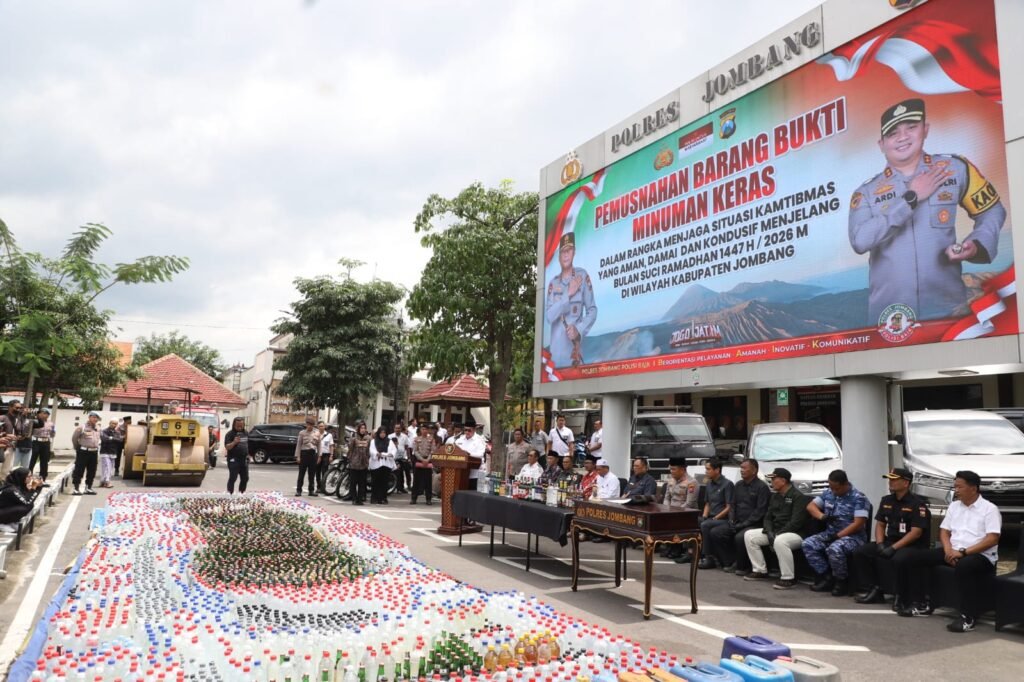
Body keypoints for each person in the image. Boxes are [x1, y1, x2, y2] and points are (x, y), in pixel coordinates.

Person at [848, 98, 1007, 323]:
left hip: (949, 309)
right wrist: (910, 199)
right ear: (881, 144)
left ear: (926, 129)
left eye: (911, 127)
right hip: (890, 318)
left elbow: (992, 211)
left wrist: (976, 244)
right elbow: (860, 241)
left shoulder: (956, 169)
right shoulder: (865, 193)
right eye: (893, 133)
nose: (903, 137)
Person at [902, 470, 1001, 632]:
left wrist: (962, 553)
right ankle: (922, 603)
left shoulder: (989, 509)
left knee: (965, 566)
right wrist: (948, 550)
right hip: (953, 550)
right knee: (914, 558)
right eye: (955, 487)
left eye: (959, 487)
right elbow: (944, 531)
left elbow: (992, 539)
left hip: (980, 555)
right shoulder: (954, 506)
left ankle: (967, 616)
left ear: (973, 488)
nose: (956, 490)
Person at [851, 467, 930, 607]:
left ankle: (901, 595)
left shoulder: (917, 504)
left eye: (894, 479)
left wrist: (894, 548)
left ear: (906, 483)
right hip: (891, 541)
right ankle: (875, 588)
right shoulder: (886, 500)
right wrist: (881, 543)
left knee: (899, 558)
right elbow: (880, 524)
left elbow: (916, 532)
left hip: (912, 545)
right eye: (890, 479)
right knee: (861, 552)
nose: (890, 482)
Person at [802, 469, 870, 596]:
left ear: (845, 484)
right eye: (831, 487)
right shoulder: (829, 493)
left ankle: (841, 581)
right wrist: (822, 517)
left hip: (852, 537)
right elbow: (810, 506)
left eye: (837, 488)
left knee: (835, 548)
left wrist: (838, 536)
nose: (834, 491)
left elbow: (858, 523)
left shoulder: (858, 498)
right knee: (808, 544)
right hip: (831, 533)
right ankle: (827, 576)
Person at [744, 467, 811, 589]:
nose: (771, 482)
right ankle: (760, 570)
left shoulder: (798, 497)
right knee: (750, 535)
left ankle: (788, 578)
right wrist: (769, 531)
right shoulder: (775, 496)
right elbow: (768, 517)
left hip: (795, 533)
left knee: (780, 541)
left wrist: (777, 534)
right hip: (776, 531)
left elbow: (796, 522)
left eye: (774, 479)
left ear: (783, 481)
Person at [545, 232, 597, 367]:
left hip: (575, 357)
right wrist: (567, 294)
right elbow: (549, 316)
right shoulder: (553, 283)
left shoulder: (582, 276)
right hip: (555, 360)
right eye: (563, 251)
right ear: (559, 257)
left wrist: (579, 330)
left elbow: (592, 310)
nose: (566, 254)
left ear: (574, 252)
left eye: (569, 250)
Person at [721, 459, 770, 575]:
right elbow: (732, 505)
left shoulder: (762, 487)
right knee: (718, 532)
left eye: (744, 468)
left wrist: (743, 524)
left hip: (754, 523)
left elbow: (760, 511)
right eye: (741, 467)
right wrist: (732, 520)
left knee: (740, 537)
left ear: (754, 471)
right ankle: (729, 561)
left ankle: (744, 566)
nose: (741, 470)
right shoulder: (738, 485)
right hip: (737, 520)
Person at [698, 457, 735, 569]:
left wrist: (714, 518)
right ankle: (691, 553)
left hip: (723, 519)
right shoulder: (709, 484)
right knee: (697, 521)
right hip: (710, 517)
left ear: (717, 470)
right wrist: (704, 516)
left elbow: (729, 507)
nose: (706, 471)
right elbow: (708, 504)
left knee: (706, 525)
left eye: (708, 469)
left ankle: (707, 557)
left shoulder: (727, 484)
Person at [662, 456, 699, 560]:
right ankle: (670, 546)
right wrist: (666, 509)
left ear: (682, 469)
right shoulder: (671, 481)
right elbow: (667, 497)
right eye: (670, 469)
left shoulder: (692, 483)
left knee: (676, 520)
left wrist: (676, 512)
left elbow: (689, 503)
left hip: (686, 512)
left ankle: (677, 548)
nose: (671, 471)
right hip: (671, 510)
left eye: (673, 469)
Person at [0, 468, 43, 533]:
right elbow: (27, 502)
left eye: (31, 475)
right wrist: (34, 488)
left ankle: (9, 521)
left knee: (27, 506)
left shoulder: (17, 484)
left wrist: (38, 487)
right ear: (22, 477)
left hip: (3, 510)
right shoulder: (11, 489)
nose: (31, 478)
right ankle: (2, 523)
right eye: (29, 476)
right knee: (26, 507)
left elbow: (26, 497)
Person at [70, 412, 102, 495]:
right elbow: (74, 438)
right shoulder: (82, 427)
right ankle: (76, 489)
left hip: (94, 452)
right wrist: (78, 448)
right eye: (93, 417)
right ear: (89, 417)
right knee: (79, 470)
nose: (95, 419)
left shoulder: (98, 428)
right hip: (83, 451)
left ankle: (88, 488)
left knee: (92, 470)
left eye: (96, 418)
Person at [4, 401, 38, 470]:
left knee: (20, 468)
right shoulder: (7, 418)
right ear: (10, 407)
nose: (19, 409)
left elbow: (39, 424)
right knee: (10, 468)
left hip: (20, 446)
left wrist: (33, 414)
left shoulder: (25, 419)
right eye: (17, 408)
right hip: (10, 446)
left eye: (20, 408)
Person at [293, 416, 322, 497]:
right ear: (306, 424)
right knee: (301, 474)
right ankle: (299, 490)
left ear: (313, 425)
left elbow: (319, 445)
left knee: (312, 474)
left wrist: (320, 456)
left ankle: (311, 490)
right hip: (304, 454)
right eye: (308, 424)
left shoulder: (317, 433)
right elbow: (298, 445)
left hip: (313, 454)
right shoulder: (302, 433)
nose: (309, 426)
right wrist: (298, 456)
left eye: (311, 425)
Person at [369, 426, 397, 504]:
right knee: (375, 481)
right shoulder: (373, 441)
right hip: (376, 464)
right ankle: (374, 497)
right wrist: (376, 453)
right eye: (381, 432)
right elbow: (371, 450)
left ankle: (383, 497)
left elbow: (394, 450)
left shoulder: (389, 441)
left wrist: (390, 454)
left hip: (386, 464)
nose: (382, 434)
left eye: (384, 433)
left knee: (384, 482)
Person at [223, 417, 251, 494]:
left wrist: (249, 454)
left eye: (241, 425)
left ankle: (241, 493)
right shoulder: (230, 434)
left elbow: (248, 444)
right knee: (233, 478)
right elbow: (227, 447)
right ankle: (229, 494)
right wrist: (234, 442)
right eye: (238, 426)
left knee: (245, 478)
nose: (240, 427)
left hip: (244, 459)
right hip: (233, 460)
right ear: (234, 425)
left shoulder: (246, 433)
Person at [347, 423, 371, 505]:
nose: (363, 429)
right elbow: (350, 449)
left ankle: (360, 499)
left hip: (363, 463)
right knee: (353, 482)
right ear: (358, 429)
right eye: (361, 428)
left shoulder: (368, 438)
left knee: (362, 483)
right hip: (354, 463)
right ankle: (354, 498)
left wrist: (367, 459)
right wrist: (350, 459)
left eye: (364, 428)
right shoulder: (354, 438)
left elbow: (368, 450)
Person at [411, 424, 434, 505]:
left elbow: (432, 451)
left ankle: (428, 499)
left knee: (428, 481)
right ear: (420, 430)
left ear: (428, 430)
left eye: (426, 429)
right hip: (419, 460)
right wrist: (422, 459)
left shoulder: (431, 439)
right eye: (423, 429)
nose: (424, 431)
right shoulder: (416, 439)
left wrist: (427, 460)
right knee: (416, 481)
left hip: (428, 461)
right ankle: (414, 498)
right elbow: (415, 451)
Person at [29, 409, 55, 483]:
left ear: (48, 415)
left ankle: (42, 478)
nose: (43, 415)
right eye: (42, 413)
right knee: (32, 460)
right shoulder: (35, 422)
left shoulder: (51, 423)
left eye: (45, 413)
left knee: (44, 461)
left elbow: (53, 433)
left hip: (46, 442)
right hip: (36, 442)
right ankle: (29, 477)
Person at [390, 421, 411, 494]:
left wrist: (408, 457)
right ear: (394, 429)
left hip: (402, 457)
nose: (397, 429)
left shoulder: (404, 436)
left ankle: (401, 488)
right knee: (396, 473)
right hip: (393, 457)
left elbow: (407, 447)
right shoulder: (390, 436)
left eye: (399, 428)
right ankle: (394, 487)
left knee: (401, 473)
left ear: (401, 429)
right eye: (396, 428)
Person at [99, 419, 121, 488]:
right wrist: (113, 438)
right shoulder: (104, 431)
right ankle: (107, 481)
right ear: (109, 423)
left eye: (115, 424)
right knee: (107, 466)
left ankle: (102, 481)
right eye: (112, 423)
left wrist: (111, 438)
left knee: (110, 467)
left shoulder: (117, 432)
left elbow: (119, 440)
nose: (114, 425)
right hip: (105, 451)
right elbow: (104, 439)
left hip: (113, 452)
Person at [317, 422, 335, 494]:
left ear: (325, 427)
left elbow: (331, 446)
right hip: (317, 455)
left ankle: (323, 487)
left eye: (322, 426)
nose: (321, 427)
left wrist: (331, 455)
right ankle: (318, 487)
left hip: (326, 455)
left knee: (324, 472)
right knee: (317, 472)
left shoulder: (329, 435)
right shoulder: (315, 434)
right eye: (320, 426)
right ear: (318, 427)